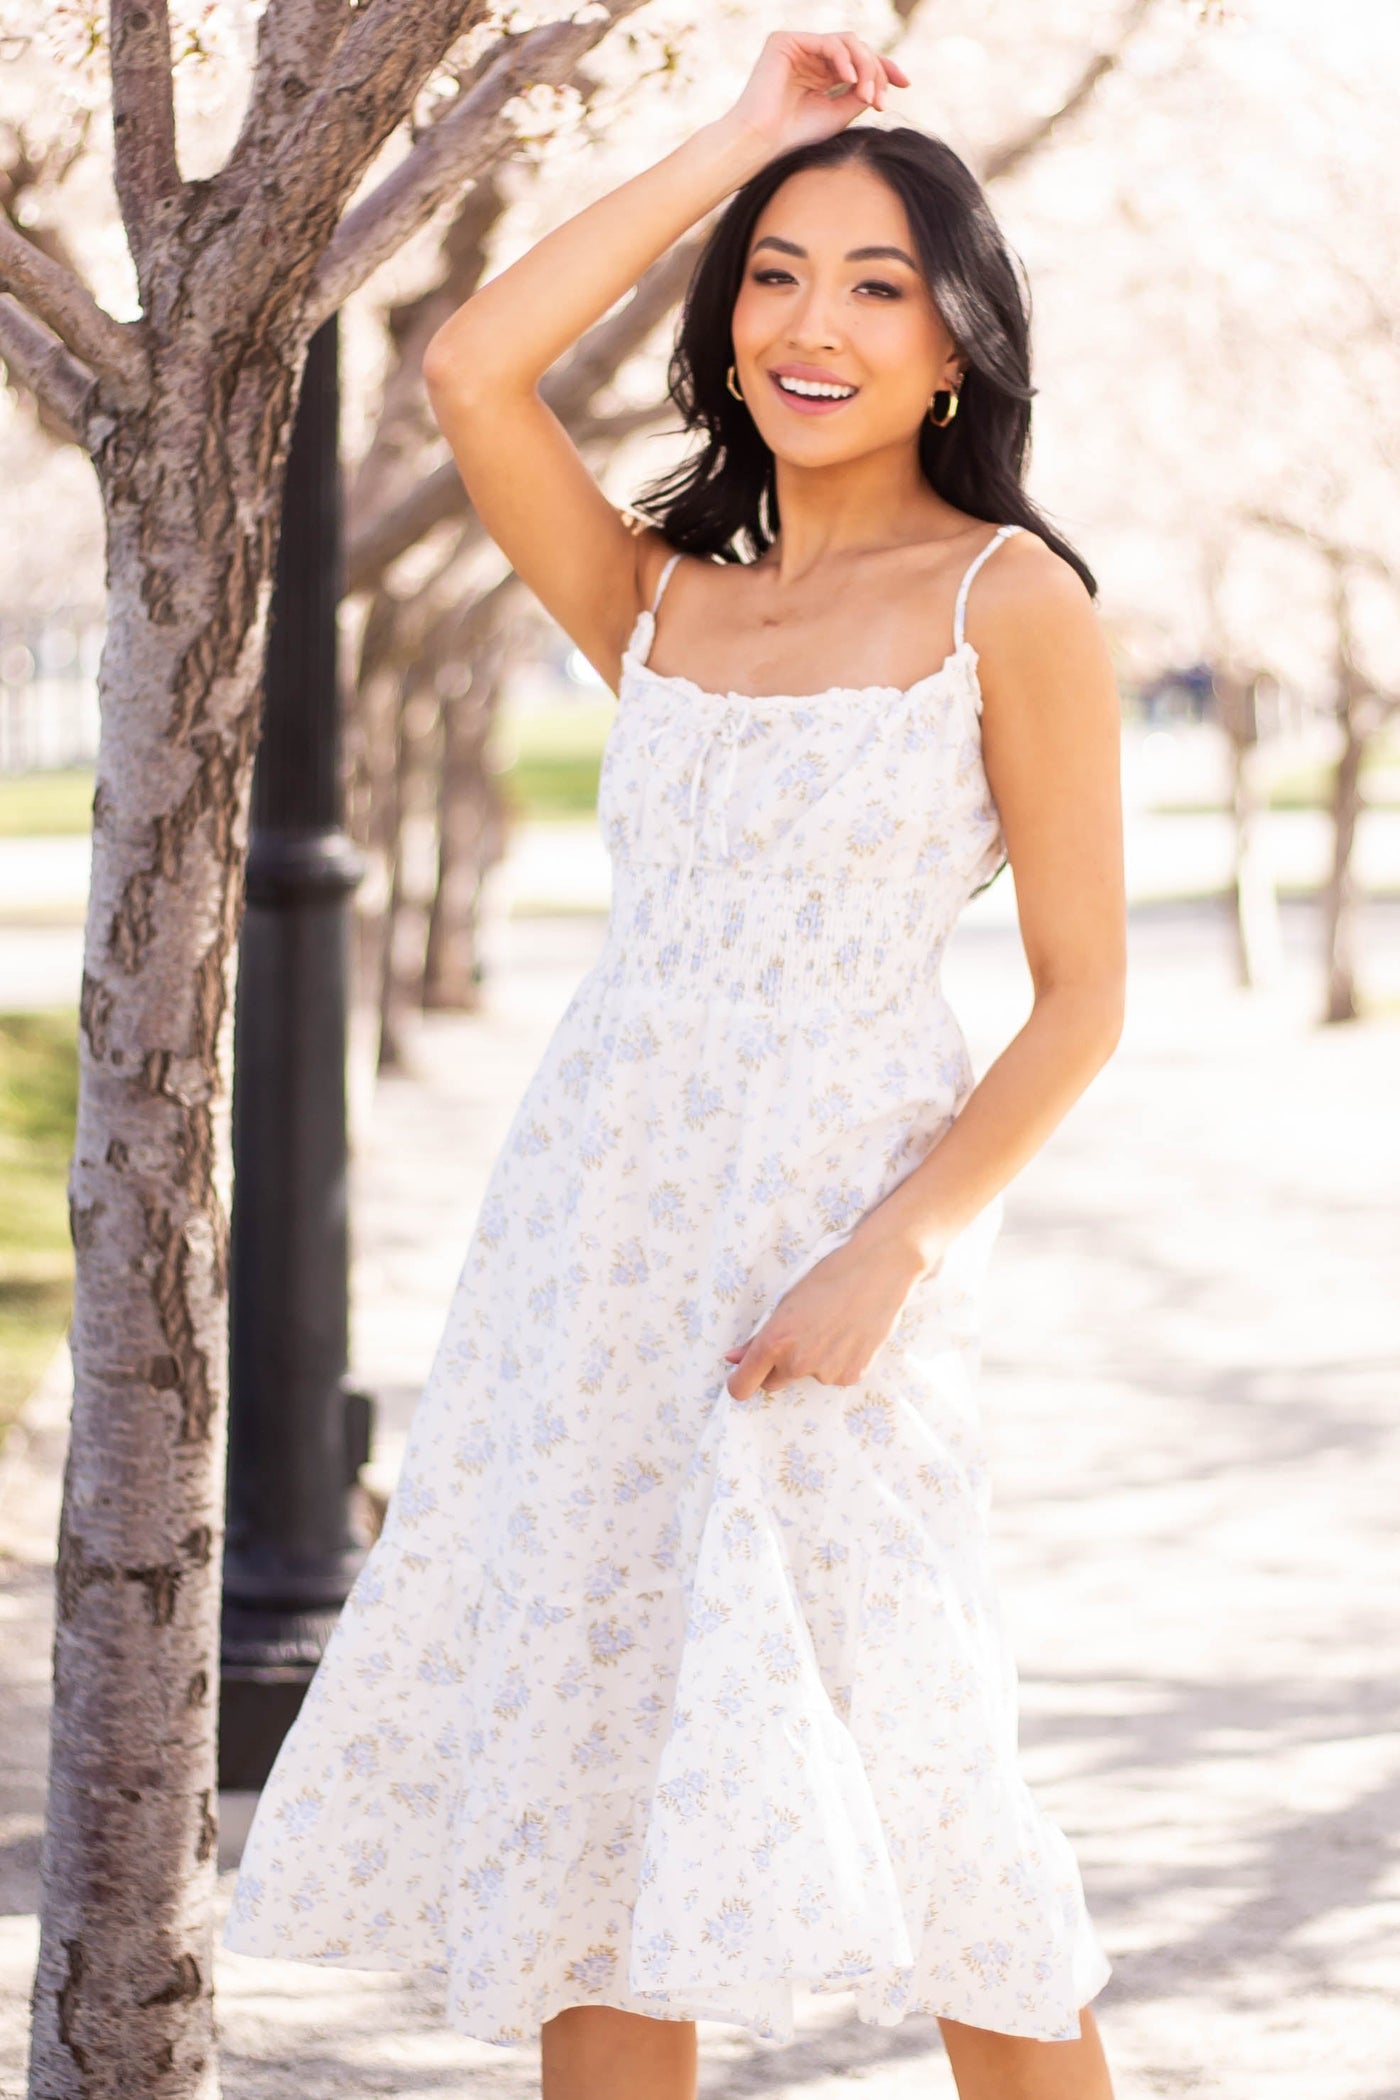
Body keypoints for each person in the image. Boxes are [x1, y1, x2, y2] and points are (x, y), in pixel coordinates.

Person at [223, 29, 1126, 2100]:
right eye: (777, 273)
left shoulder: (1013, 601)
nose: (814, 324)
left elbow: (1084, 995)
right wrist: (739, 138)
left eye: (878, 284)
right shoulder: (658, 601)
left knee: (937, 1777)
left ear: (960, 346)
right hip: (595, 1238)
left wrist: (887, 1257)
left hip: (836, 1246)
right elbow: (469, 368)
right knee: (594, 1776)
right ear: (726, 323)